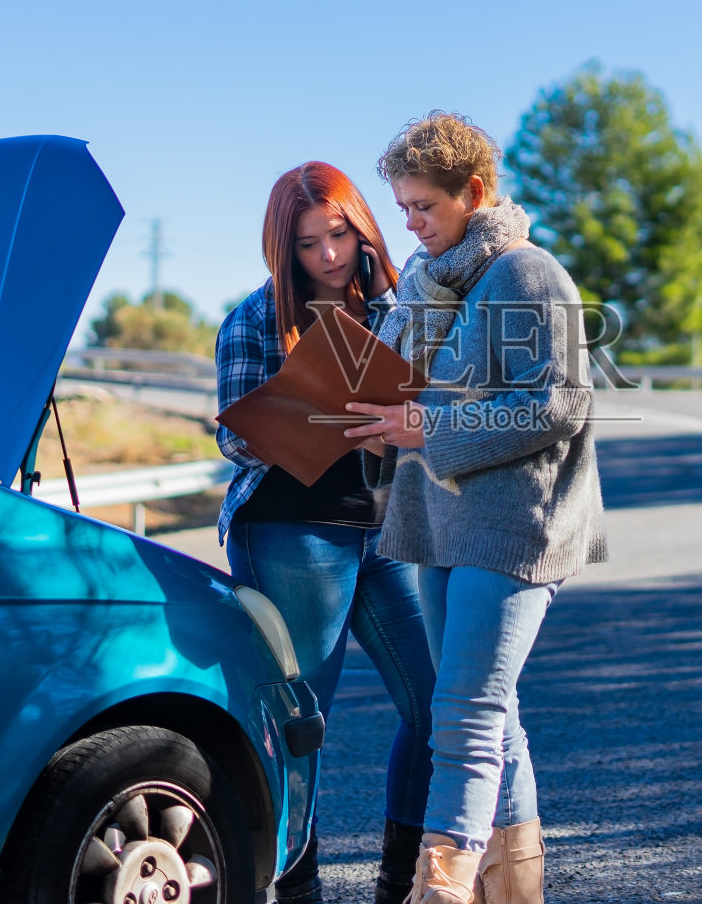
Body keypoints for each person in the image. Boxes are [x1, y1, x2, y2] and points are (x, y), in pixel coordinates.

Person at [344, 113, 608, 904]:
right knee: (499, 716)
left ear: (476, 192)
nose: (412, 224)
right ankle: (514, 891)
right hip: (439, 525)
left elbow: (560, 403)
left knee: (465, 710)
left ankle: (443, 885)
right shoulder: (429, 287)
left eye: (424, 206)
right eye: (403, 209)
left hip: (512, 525)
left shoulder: (527, 275)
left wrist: (431, 426)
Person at [216, 161, 437, 904]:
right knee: (302, 724)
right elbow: (236, 438)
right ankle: (299, 889)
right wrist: (315, 414)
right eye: (310, 243)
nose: (330, 256)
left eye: (340, 234)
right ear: (285, 249)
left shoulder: (399, 307)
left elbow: (436, 398)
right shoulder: (253, 316)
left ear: (363, 229)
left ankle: (399, 883)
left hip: (385, 531)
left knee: (439, 704)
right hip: (293, 533)